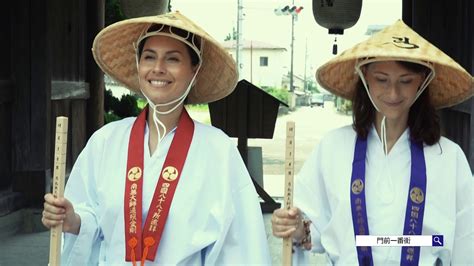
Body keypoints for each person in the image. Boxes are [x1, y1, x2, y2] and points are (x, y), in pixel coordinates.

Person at [42, 11, 271, 265]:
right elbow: (93, 217)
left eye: (172, 59)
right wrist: (73, 220)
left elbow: (239, 247)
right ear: (139, 65)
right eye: (149, 57)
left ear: (194, 70)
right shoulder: (106, 141)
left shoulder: (218, 151)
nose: (158, 68)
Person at [272, 19, 473, 265]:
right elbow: (315, 232)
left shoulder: (449, 157)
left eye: (406, 81)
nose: (393, 93)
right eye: (381, 79)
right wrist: (294, 227)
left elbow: (465, 242)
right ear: (365, 76)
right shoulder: (333, 148)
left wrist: (430, 241)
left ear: (422, 80)